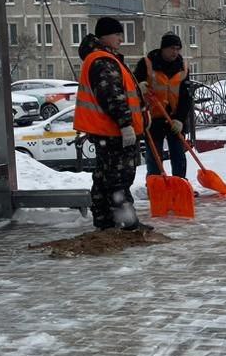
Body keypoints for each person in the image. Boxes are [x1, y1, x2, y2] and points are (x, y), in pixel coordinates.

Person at [74, 17, 146, 231]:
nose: (121, 39)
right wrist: (126, 124)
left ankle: (105, 221)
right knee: (119, 178)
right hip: (113, 131)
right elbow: (112, 96)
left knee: (105, 176)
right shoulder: (102, 60)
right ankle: (126, 222)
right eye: (117, 34)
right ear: (104, 36)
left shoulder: (102, 58)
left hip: (107, 131)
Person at [135, 33, 192, 178]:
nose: (175, 52)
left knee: (178, 154)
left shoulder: (182, 67)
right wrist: (139, 86)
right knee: (154, 156)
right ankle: (156, 185)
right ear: (163, 48)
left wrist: (180, 119)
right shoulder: (147, 63)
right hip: (152, 117)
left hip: (174, 119)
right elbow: (133, 83)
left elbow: (186, 96)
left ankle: (179, 184)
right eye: (172, 48)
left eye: (178, 49)